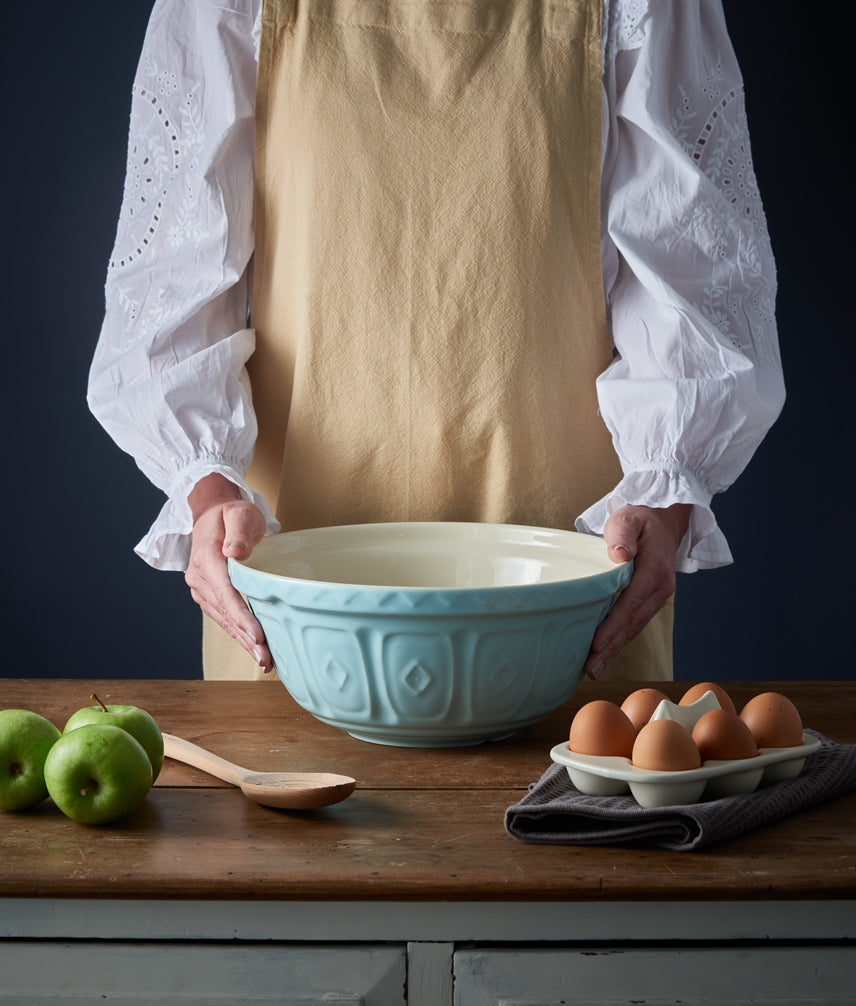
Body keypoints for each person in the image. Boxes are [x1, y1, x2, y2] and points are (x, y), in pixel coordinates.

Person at [88, 0, 784, 684]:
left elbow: (696, 280)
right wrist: (209, 496)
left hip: (575, 587)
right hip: (291, 590)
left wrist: (663, 509)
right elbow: (168, 294)